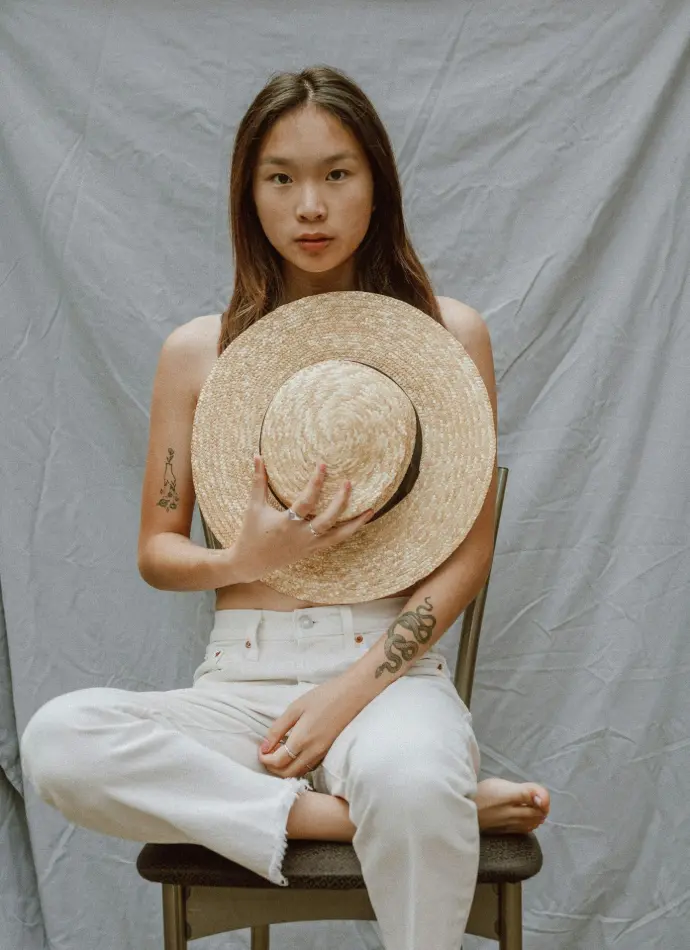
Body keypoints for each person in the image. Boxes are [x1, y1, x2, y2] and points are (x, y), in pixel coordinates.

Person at [20, 65, 549, 949]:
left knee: (412, 781)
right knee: (57, 741)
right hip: (239, 685)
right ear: (248, 193)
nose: (311, 205)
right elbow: (159, 548)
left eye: (337, 174)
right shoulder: (198, 353)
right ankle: (342, 818)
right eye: (281, 178)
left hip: (382, 671)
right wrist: (239, 562)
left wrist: (351, 692)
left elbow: (470, 548)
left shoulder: (449, 337)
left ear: (377, 184)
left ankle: (416, 798)